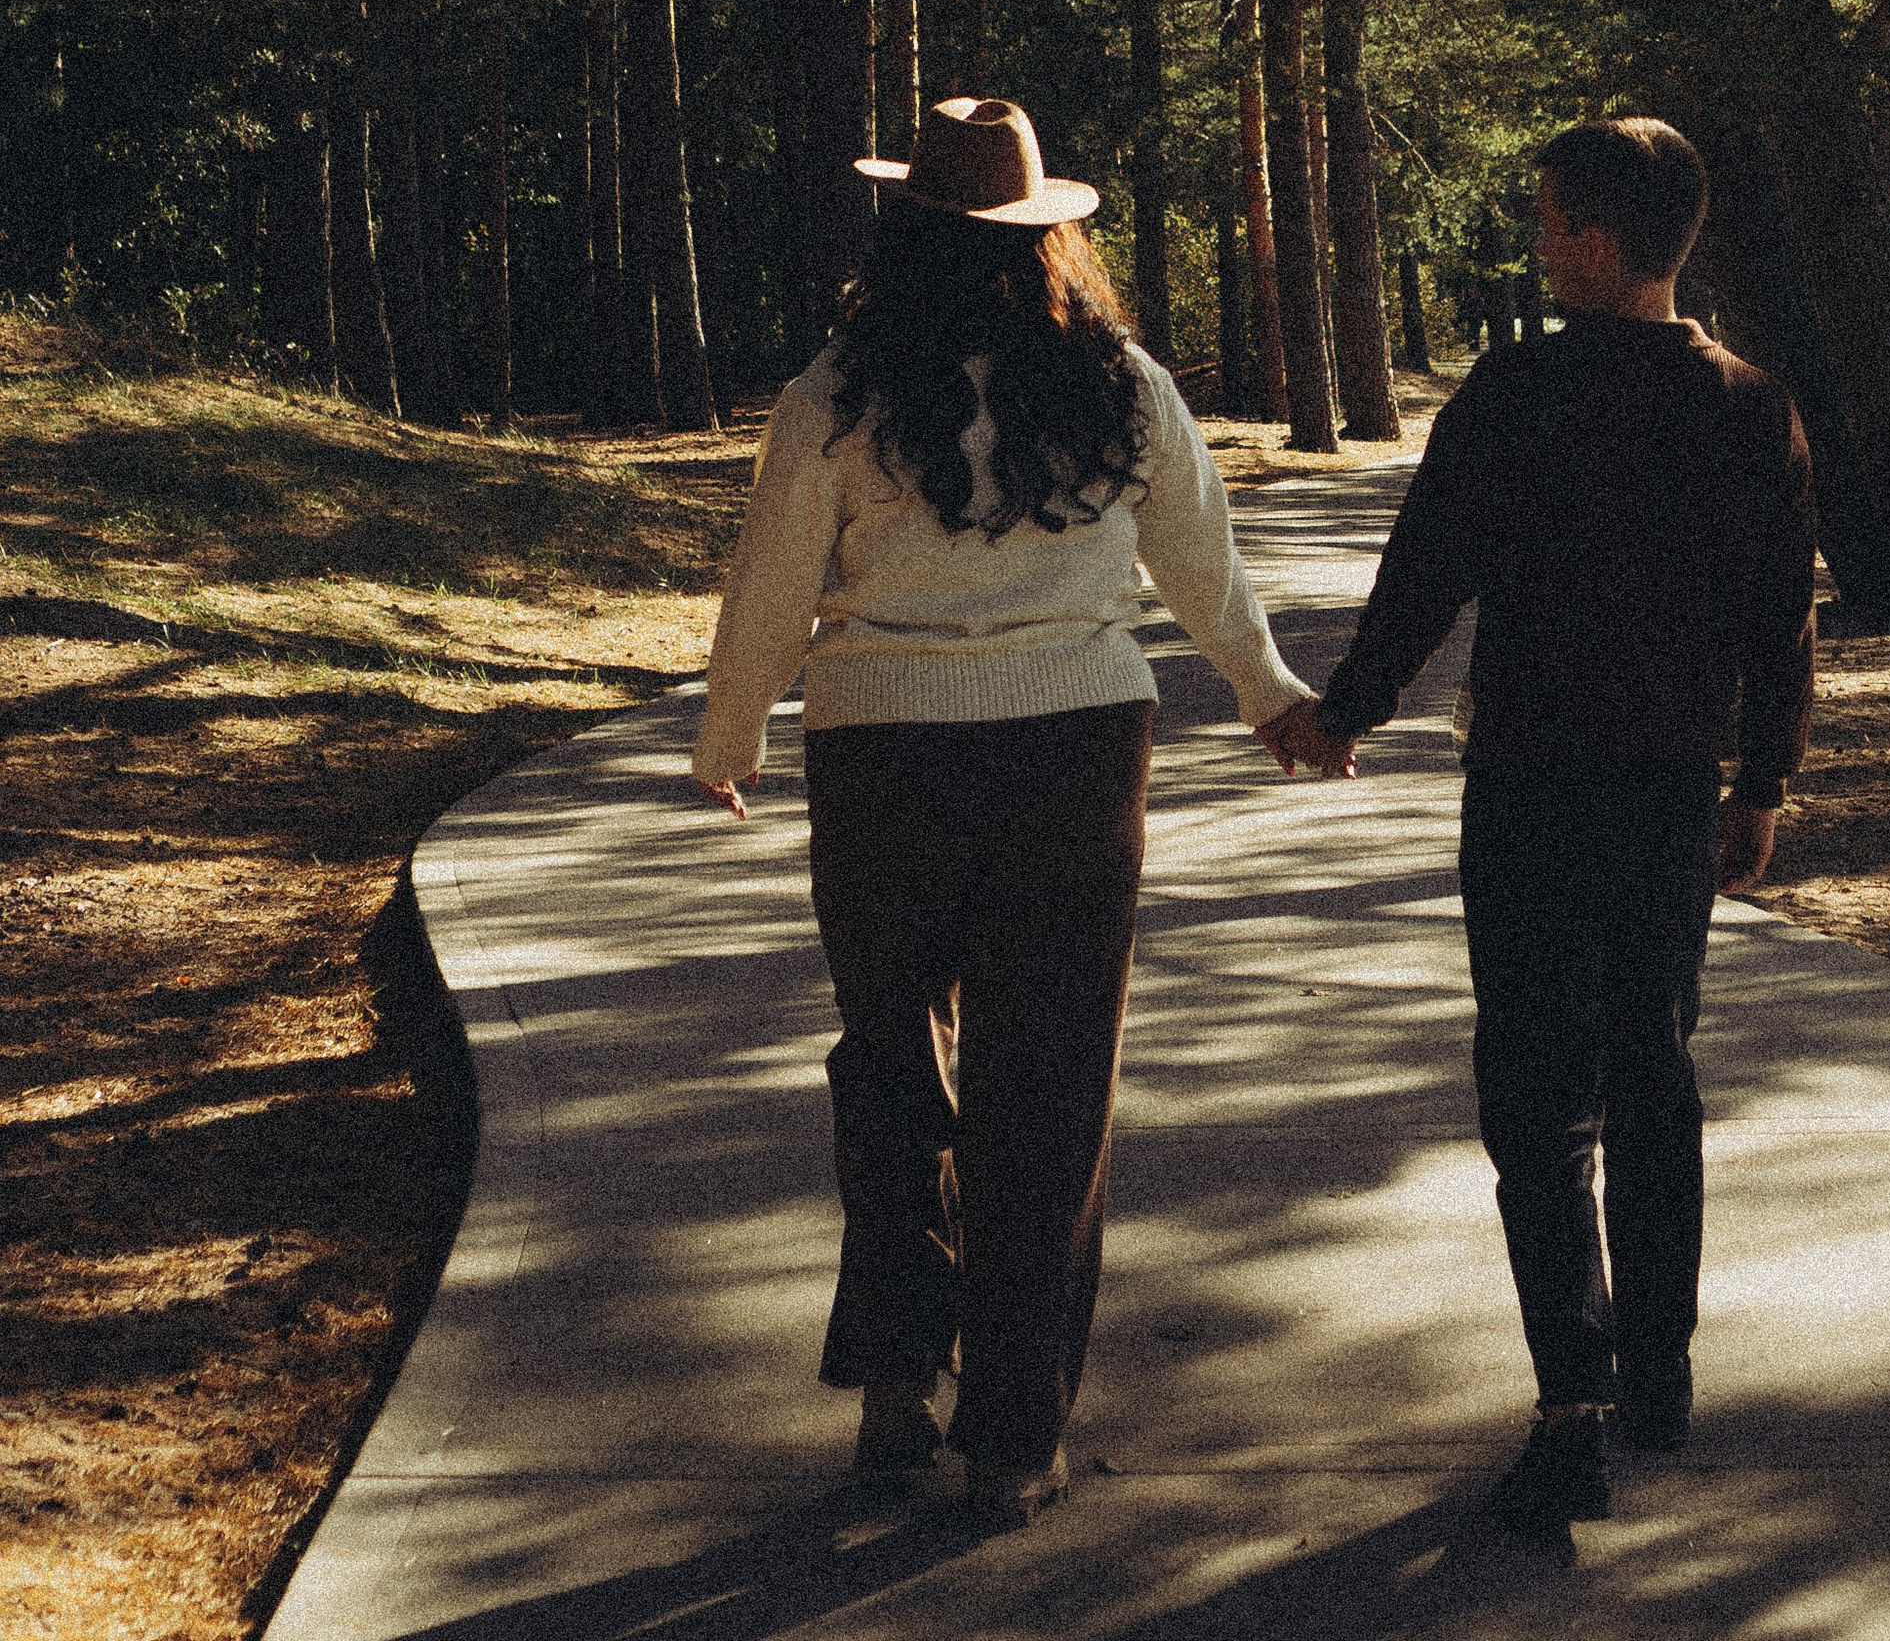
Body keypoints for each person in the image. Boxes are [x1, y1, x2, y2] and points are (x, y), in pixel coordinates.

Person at [692, 96, 1320, 1526]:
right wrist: (1271, 698)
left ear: (903, 227)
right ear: (1051, 238)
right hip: (1075, 755)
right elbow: (1201, 562)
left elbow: (773, 585)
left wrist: (729, 740)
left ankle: (899, 1378)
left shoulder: (838, 392)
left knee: (893, 1065)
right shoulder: (1117, 384)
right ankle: (1015, 1435)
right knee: (1048, 1089)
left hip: (884, 758)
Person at [1263, 115, 1816, 1545]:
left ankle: (1572, 1405)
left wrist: (1344, 717)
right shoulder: (1751, 404)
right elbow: (1780, 621)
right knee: (1656, 1074)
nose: (1535, 239)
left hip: (1528, 791)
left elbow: (1424, 577)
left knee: (1535, 1098)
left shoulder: (1514, 397)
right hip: (1665, 796)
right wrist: (1761, 783)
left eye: (1546, 217)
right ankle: (1662, 1380)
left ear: (1594, 240)